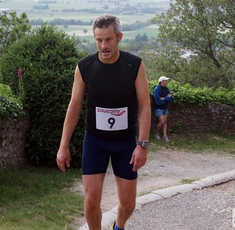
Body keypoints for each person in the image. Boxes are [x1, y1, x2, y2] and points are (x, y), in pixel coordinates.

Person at [56, 14, 151, 230]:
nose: (103, 45)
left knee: (128, 204)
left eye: (108, 39)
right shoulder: (84, 67)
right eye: (99, 40)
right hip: (95, 141)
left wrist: (142, 144)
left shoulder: (134, 65)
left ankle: (119, 226)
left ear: (119, 37)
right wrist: (63, 146)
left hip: (125, 142)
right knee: (90, 200)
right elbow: (74, 106)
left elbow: (145, 105)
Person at [153, 76, 172, 142]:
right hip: (158, 108)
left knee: (165, 122)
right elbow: (158, 101)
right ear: (161, 82)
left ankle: (165, 136)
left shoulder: (166, 89)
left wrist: (164, 98)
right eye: (165, 81)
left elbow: (170, 97)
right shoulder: (156, 89)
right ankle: (156, 133)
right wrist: (166, 98)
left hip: (165, 108)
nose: (167, 82)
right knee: (162, 121)